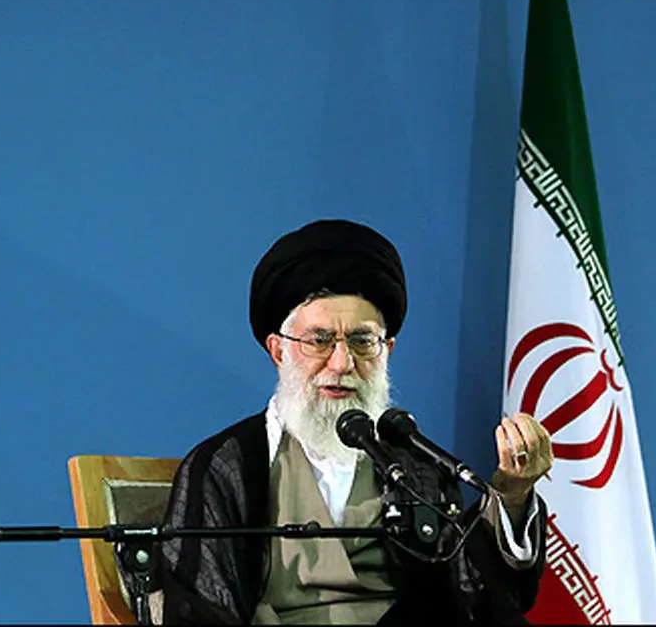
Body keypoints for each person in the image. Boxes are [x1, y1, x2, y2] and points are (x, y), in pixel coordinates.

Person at [151, 219, 552, 625]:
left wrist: (511, 494)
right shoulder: (227, 467)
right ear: (278, 350)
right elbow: (200, 610)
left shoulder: (417, 466)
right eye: (319, 340)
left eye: (362, 341)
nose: (342, 363)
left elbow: (473, 598)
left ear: (387, 350)